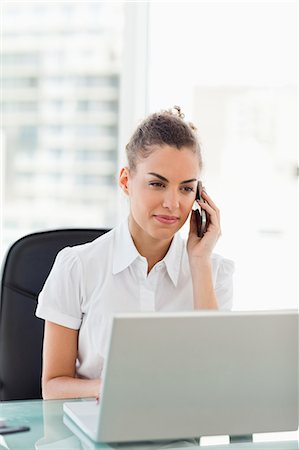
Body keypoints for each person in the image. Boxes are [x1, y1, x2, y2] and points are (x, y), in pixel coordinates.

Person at [35, 106, 234, 400]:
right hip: (91, 437)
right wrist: (108, 390)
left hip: (178, 440)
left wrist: (199, 262)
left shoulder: (215, 273)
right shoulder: (77, 267)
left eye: (186, 189)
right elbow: (52, 386)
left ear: (199, 196)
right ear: (126, 181)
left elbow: (216, 383)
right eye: (157, 184)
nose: (172, 203)